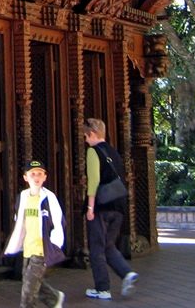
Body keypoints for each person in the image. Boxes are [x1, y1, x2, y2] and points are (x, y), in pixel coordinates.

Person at [82, 118, 138, 300]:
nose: (85, 140)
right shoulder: (114, 152)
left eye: (86, 136)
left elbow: (94, 180)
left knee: (97, 247)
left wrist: (90, 206)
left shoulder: (93, 152)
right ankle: (127, 273)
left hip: (102, 205)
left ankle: (102, 288)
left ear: (93, 134)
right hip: (119, 205)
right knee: (108, 244)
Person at [4, 160, 66, 308]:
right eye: (32, 174)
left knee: (27, 294)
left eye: (40, 174)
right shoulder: (23, 197)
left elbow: (58, 222)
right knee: (29, 281)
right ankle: (54, 298)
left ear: (45, 177)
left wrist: (54, 245)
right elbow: (19, 222)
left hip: (41, 250)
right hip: (28, 249)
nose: (36, 177)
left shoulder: (48, 199)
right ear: (26, 177)